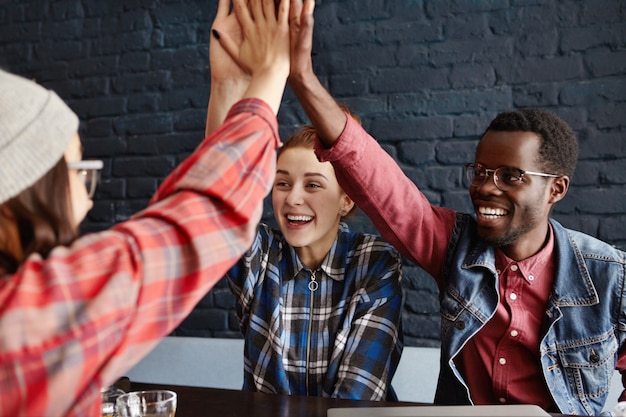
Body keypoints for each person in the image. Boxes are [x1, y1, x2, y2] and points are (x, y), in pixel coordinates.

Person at [285, 0, 626, 415]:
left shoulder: (611, 277)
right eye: (480, 171)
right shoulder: (455, 247)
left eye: (510, 176)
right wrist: (301, 78)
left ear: (556, 189)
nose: (486, 187)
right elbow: (376, 178)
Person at [0, 0, 290, 415]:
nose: (88, 196)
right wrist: (272, 72)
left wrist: (230, 85)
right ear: (15, 196)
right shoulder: (22, 323)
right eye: (77, 170)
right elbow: (196, 219)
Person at [204, 4, 403, 399]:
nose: (292, 198)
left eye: (313, 185)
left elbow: (355, 398)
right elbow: (218, 196)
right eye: (282, 183)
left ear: (347, 200)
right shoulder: (262, 257)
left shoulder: (374, 262)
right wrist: (225, 83)